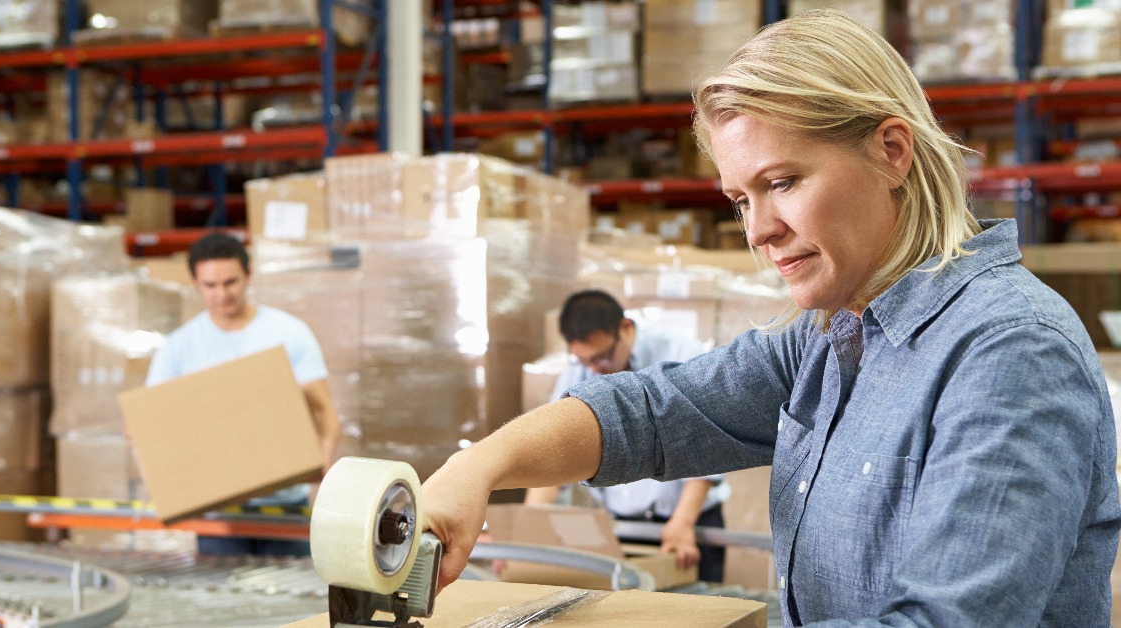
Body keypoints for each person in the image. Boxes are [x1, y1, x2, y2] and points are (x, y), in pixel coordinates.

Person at [420, 9, 1121, 625]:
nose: (758, 231)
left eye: (781, 183)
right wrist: (481, 465)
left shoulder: (1009, 353)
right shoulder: (832, 336)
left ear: (892, 152)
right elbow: (655, 410)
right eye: (741, 199)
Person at [145, 231, 341, 556]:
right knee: (226, 601)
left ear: (248, 276)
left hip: (285, 506)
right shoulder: (178, 348)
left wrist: (321, 460)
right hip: (217, 509)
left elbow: (324, 412)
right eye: (210, 285)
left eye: (231, 282)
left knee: (293, 604)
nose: (222, 294)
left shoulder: (287, 334)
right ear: (195, 283)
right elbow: (154, 423)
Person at [523, 289, 728, 582]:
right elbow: (554, 448)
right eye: (586, 362)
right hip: (622, 527)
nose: (596, 368)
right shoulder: (580, 372)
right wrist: (528, 531)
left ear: (626, 328)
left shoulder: (681, 355)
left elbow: (709, 445)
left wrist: (683, 521)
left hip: (687, 522)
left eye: (603, 357)